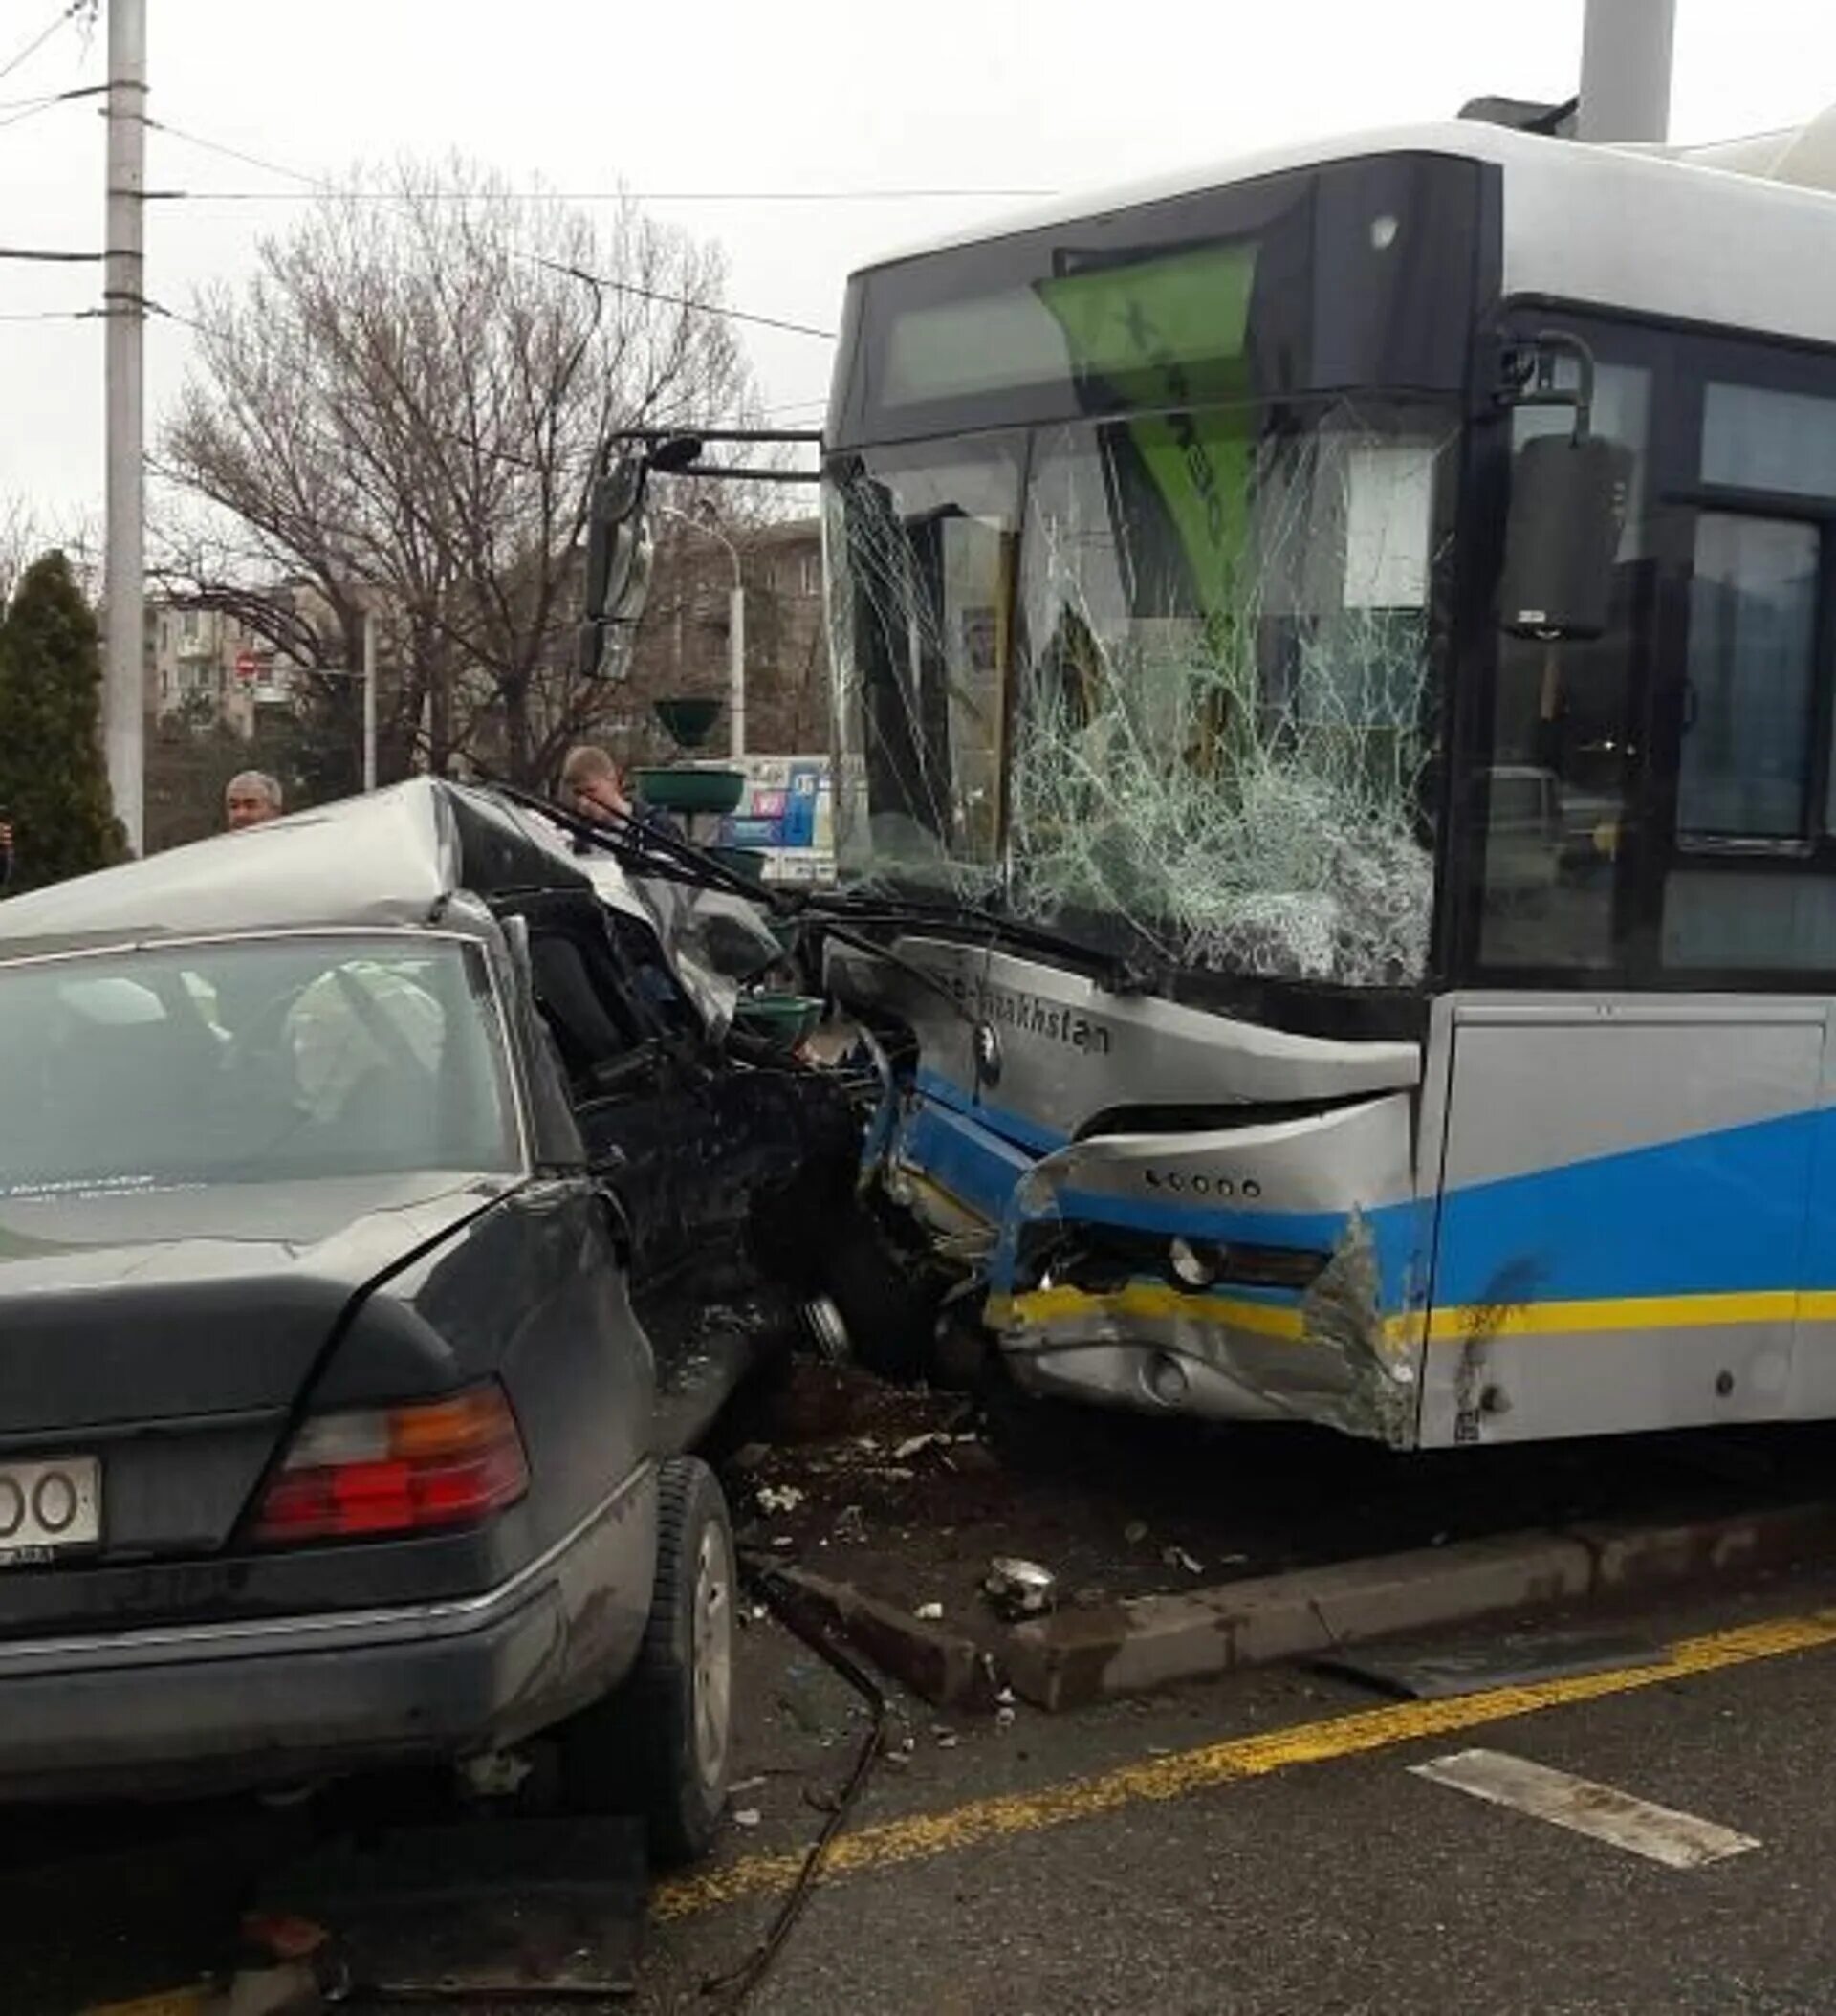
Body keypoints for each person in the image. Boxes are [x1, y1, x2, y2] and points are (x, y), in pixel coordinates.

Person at [559, 744, 683, 842]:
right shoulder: (573, 835)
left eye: (591, 791)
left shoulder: (656, 828)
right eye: (577, 794)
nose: (584, 802)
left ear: (613, 780)